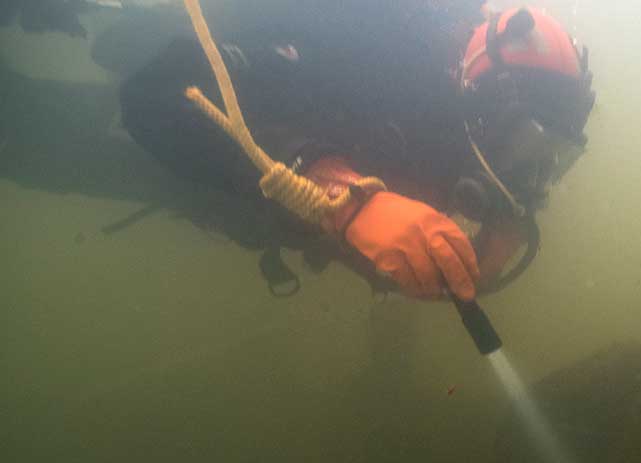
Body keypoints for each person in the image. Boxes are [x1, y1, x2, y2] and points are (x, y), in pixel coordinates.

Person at [119, 1, 595, 300]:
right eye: (528, 145)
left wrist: (506, 219)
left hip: (263, 207)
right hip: (183, 132)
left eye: (553, 158)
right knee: (114, 52)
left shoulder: (465, 122)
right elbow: (154, 94)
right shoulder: (360, 45)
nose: (531, 175)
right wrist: (342, 198)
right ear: (483, 99)